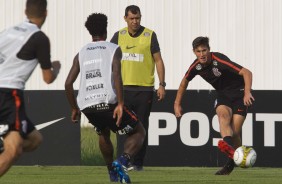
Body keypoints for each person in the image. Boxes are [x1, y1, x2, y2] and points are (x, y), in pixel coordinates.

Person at [65, 13, 145, 183]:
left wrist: (74, 108)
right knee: (139, 131)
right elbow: (117, 75)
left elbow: (67, 83)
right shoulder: (113, 48)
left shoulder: (81, 52)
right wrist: (121, 103)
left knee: (103, 132)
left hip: (87, 105)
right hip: (109, 102)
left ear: (90, 32)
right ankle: (122, 161)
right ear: (106, 29)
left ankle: (112, 173)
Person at [174, 36, 254, 175]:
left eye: (204, 50)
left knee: (234, 132)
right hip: (223, 95)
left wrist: (247, 92)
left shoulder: (219, 60)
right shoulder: (196, 66)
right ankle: (231, 151)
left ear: (209, 50)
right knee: (223, 116)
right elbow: (184, 82)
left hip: (239, 94)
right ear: (194, 52)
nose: (202, 54)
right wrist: (177, 103)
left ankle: (230, 164)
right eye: (198, 51)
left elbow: (247, 72)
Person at [0, 0, 60, 177]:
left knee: (34, 140)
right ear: (46, 13)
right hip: (9, 93)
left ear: (25, 11)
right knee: (14, 151)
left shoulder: (7, 32)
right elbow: (48, 78)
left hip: (5, 91)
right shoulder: (40, 38)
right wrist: (56, 67)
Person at [110, 5, 166, 171]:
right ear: (125, 18)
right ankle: (123, 161)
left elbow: (158, 61)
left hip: (144, 89)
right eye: (132, 18)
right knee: (122, 126)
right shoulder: (118, 36)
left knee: (141, 127)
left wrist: (162, 84)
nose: (135, 21)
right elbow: (110, 60)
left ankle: (138, 163)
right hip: (123, 90)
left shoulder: (150, 35)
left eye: (138, 18)